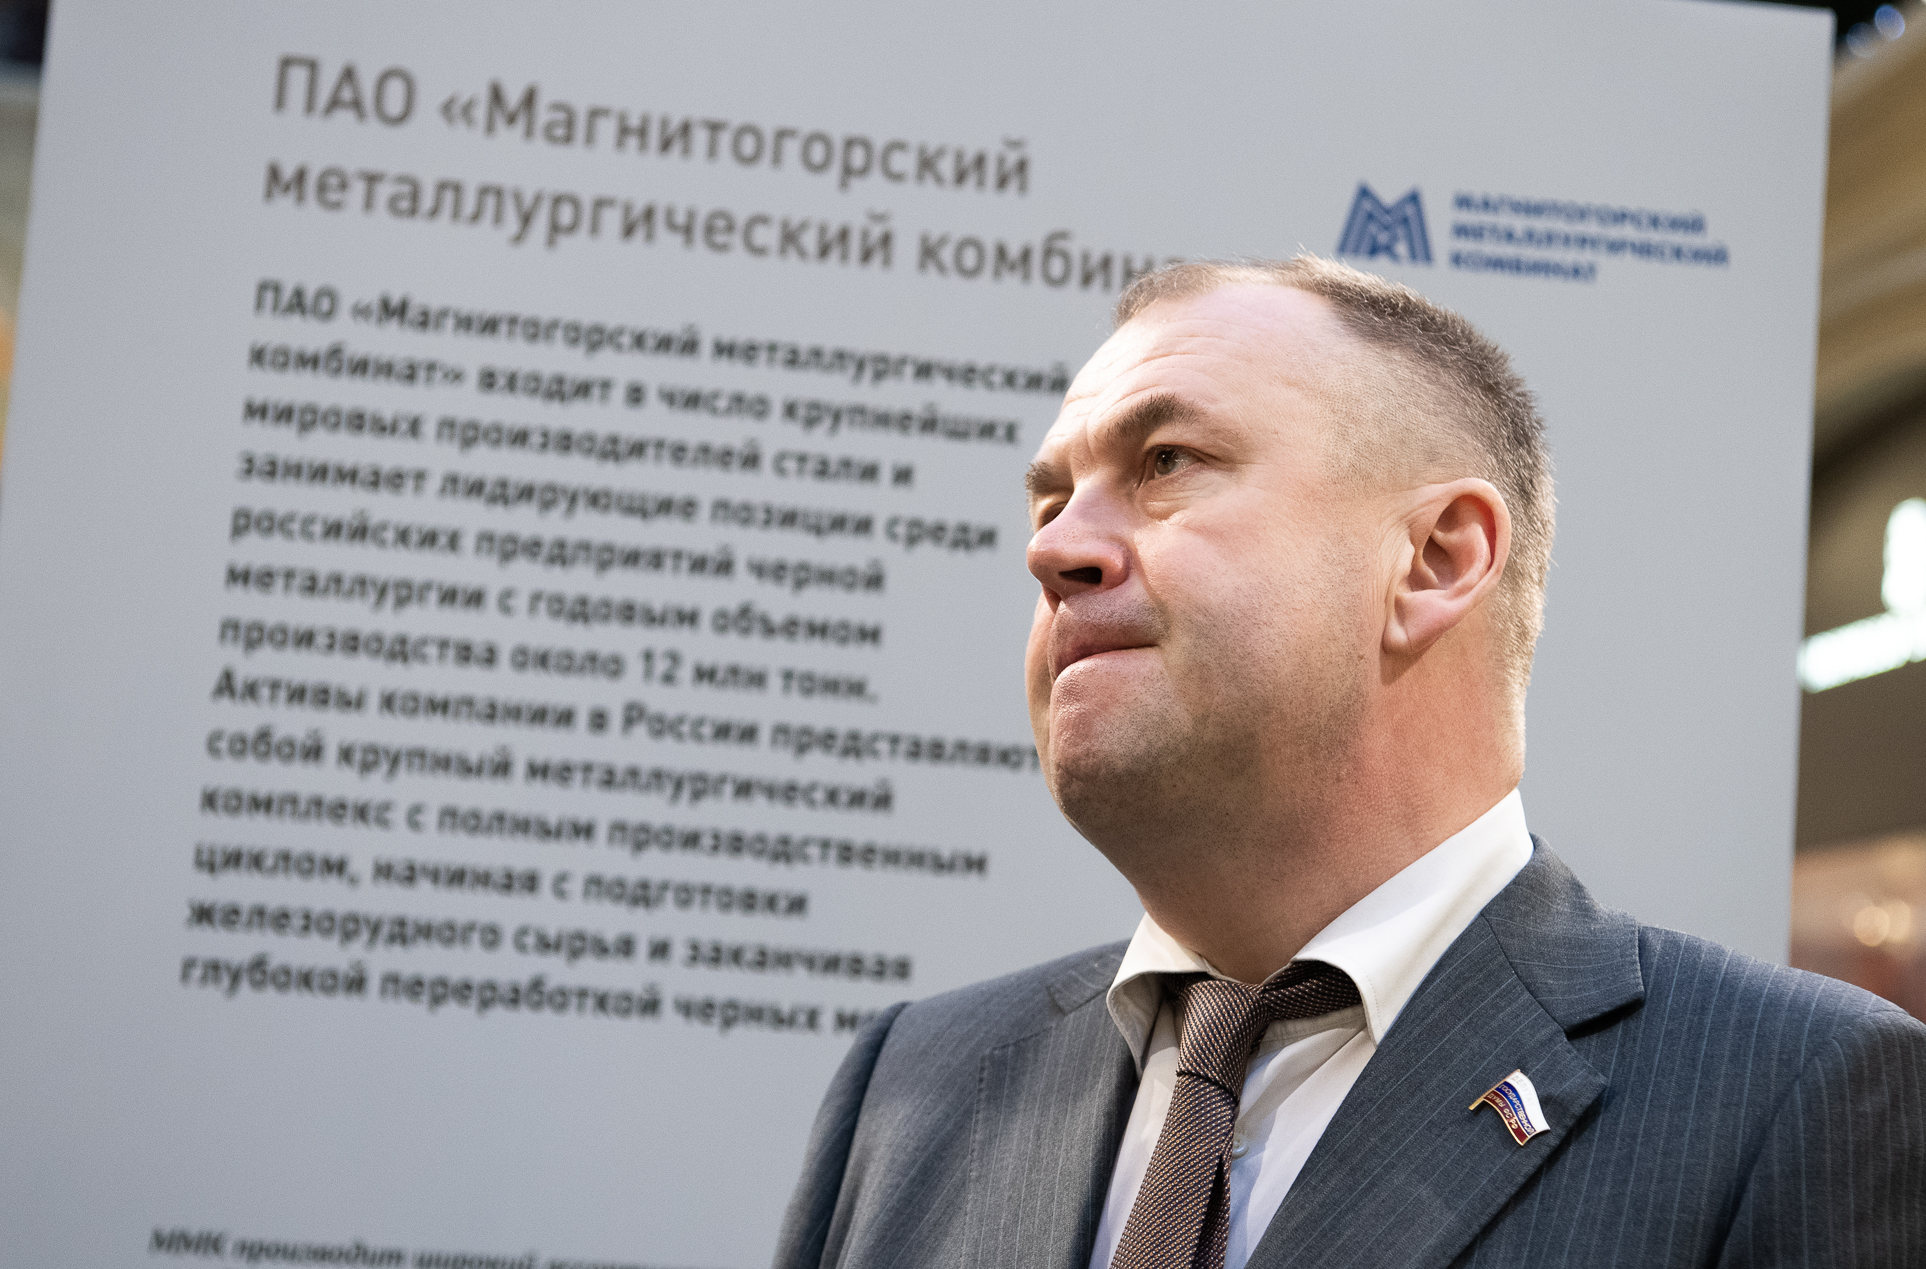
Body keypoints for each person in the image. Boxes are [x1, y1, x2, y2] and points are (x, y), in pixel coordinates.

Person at [772, 256, 1926, 1269]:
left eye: (1165, 460)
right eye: (1050, 499)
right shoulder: (915, 1084)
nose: (1054, 547)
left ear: (1433, 559)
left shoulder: (1791, 1093)